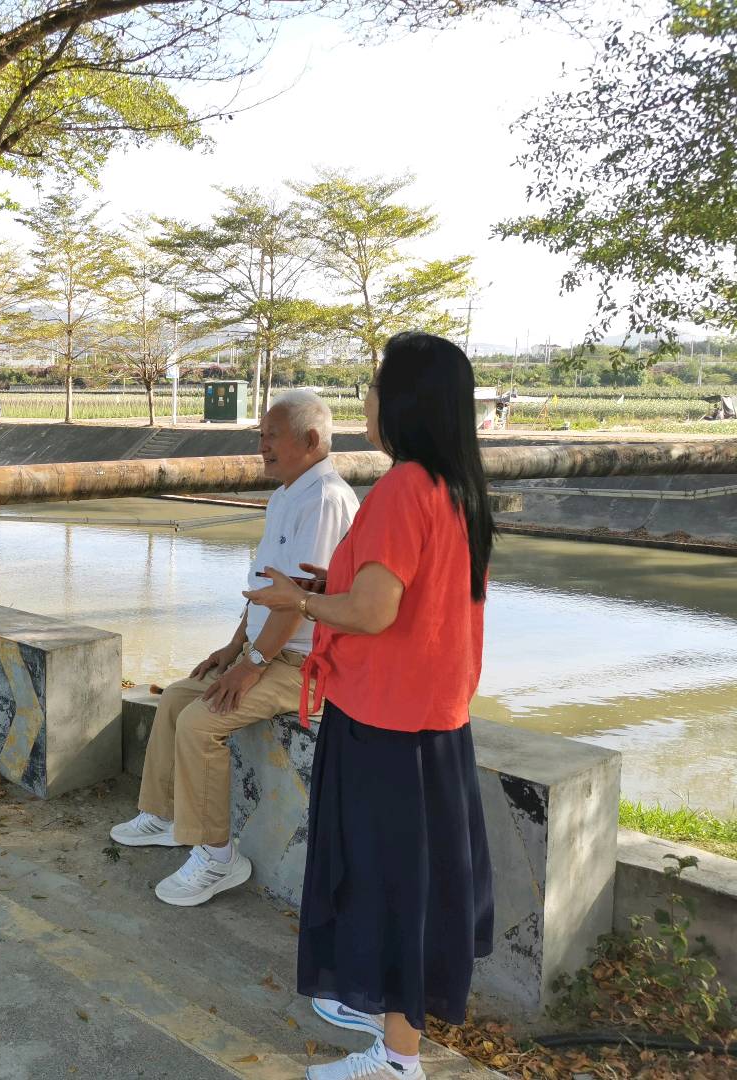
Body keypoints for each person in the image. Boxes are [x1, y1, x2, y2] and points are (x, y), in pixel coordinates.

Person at [246, 332, 495, 1080]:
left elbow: (375, 611)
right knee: (412, 896)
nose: (369, 401)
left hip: (383, 726)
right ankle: (398, 1053)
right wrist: (330, 589)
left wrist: (299, 601)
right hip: (435, 726)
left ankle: (395, 1060)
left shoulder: (402, 489)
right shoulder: (458, 489)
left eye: (378, 386)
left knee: (381, 892)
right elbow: (408, 597)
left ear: (407, 402)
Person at [108, 390, 358, 906]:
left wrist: (253, 665)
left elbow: (297, 602)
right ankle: (164, 815)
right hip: (267, 651)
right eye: (261, 435)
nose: (262, 446)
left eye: (272, 436)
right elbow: (267, 589)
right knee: (178, 698)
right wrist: (234, 647)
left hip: (303, 662)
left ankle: (218, 857)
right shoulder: (287, 494)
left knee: (202, 723)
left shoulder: (325, 500)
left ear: (311, 440)